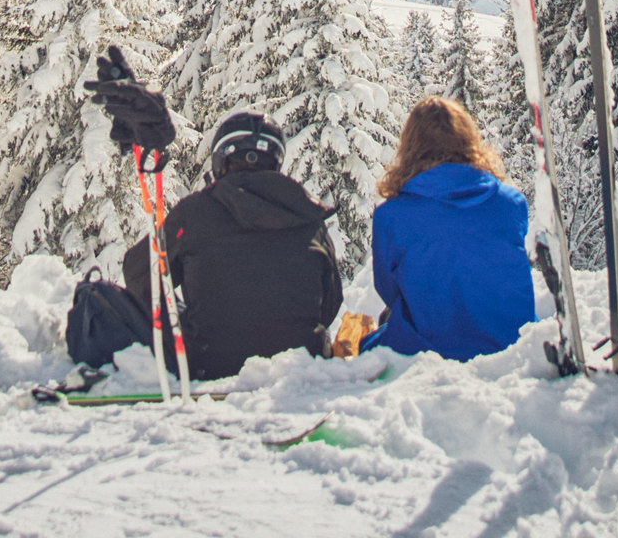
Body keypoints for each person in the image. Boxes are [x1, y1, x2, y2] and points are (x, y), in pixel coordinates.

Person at [84, 48, 342, 380]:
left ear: (221, 160)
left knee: (96, 300)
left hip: (211, 364)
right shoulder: (308, 216)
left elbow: (141, 276)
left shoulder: (196, 212)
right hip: (300, 364)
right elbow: (330, 304)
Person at [363, 96, 535, 361]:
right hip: (510, 346)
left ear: (409, 146)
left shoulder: (391, 214)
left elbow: (388, 289)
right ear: (468, 140)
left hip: (426, 348)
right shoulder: (511, 203)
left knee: (369, 342)